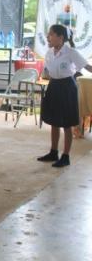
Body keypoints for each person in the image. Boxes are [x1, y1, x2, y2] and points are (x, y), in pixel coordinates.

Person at [38, 24, 92, 167]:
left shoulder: (70, 52)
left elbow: (87, 67)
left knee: (66, 123)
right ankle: (53, 152)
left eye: (51, 34)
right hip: (54, 86)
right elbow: (47, 71)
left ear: (60, 37)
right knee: (54, 122)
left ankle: (66, 156)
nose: (48, 37)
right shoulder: (49, 52)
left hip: (67, 87)